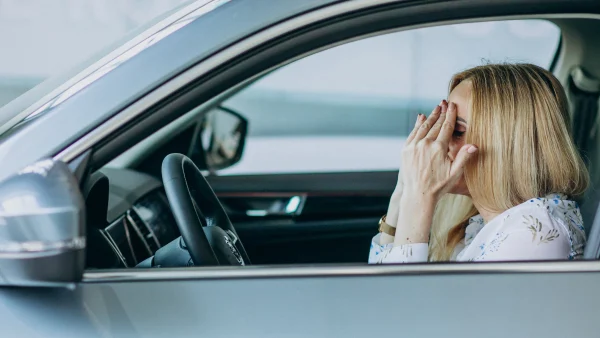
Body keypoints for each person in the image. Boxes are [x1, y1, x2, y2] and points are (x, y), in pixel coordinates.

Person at [370, 63, 589, 263]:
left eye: (456, 131)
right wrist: (405, 188)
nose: (438, 144)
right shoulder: (484, 223)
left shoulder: (531, 234)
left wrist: (419, 196)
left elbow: (399, 301)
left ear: (507, 145)